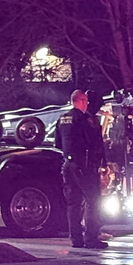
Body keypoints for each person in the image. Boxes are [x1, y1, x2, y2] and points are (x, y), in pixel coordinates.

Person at [56, 89, 105, 249]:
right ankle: (91, 238)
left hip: (67, 165)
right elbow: (93, 141)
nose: (87, 104)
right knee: (93, 201)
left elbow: (57, 143)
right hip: (83, 165)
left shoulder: (62, 119)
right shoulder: (84, 119)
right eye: (86, 101)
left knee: (73, 203)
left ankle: (76, 239)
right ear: (81, 101)